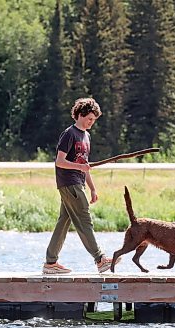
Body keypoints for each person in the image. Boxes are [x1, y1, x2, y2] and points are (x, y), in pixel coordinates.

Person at [43, 97, 120, 274]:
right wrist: (79, 167)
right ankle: (100, 260)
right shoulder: (69, 134)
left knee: (64, 222)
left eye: (94, 120)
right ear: (79, 115)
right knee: (85, 220)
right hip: (69, 183)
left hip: (79, 184)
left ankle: (50, 263)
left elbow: (85, 166)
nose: (91, 123)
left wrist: (92, 188)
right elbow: (59, 162)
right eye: (89, 119)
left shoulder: (87, 136)